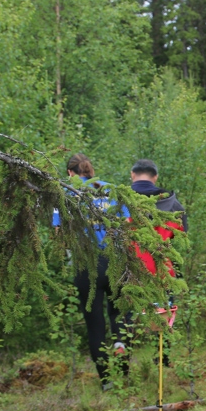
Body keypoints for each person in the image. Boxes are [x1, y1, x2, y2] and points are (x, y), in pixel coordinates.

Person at [53, 154, 129, 389]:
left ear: (70, 173)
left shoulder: (65, 193)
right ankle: (121, 355)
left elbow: (59, 234)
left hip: (86, 265)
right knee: (119, 313)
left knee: (95, 323)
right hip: (114, 261)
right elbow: (127, 225)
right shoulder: (110, 190)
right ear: (91, 170)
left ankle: (106, 380)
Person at [128, 159, 187, 366]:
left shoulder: (121, 201)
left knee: (125, 315)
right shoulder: (172, 203)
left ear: (132, 175)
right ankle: (162, 358)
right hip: (162, 267)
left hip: (130, 268)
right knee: (163, 315)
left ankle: (122, 366)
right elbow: (182, 235)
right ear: (155, 177)